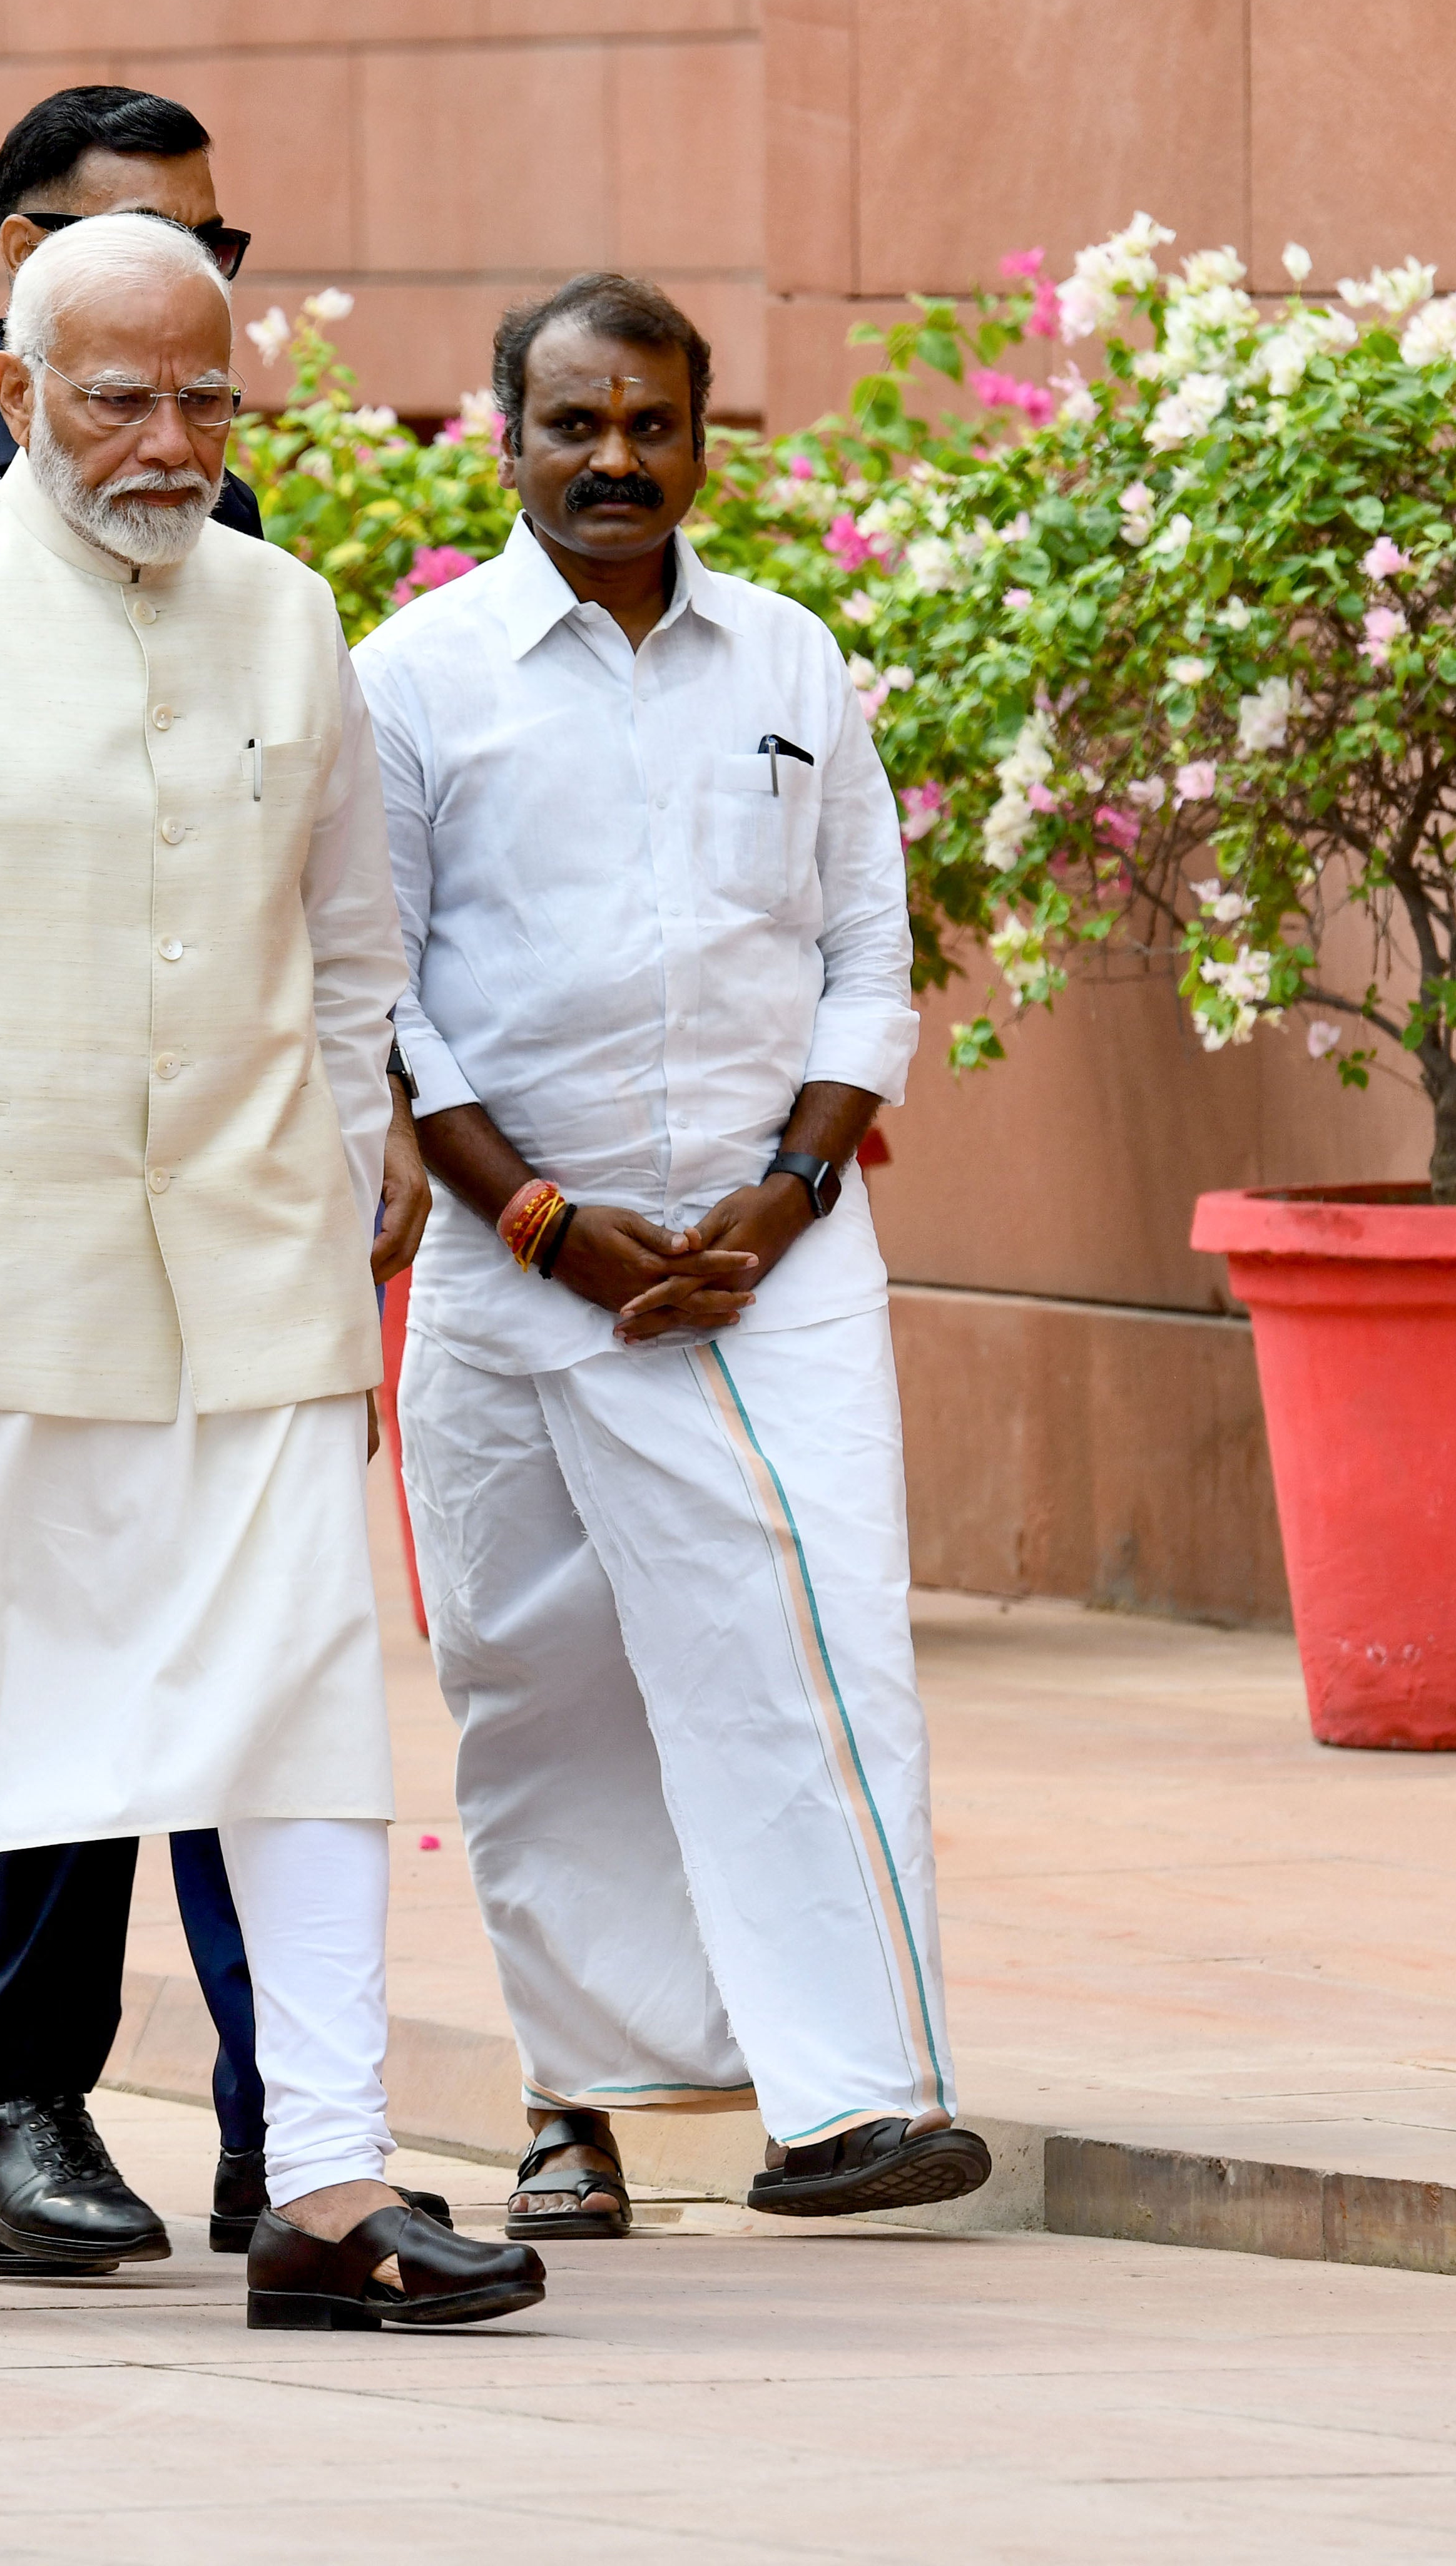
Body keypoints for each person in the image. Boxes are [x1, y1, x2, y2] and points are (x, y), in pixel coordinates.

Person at [0, 210, 541, 2331]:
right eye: (119, 397)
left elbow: (354, 961)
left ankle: (330, 2195)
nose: (167, 440)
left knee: (302, 1730)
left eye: (204, 398)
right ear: (16, 393)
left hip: (244, 1291)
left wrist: (337, 1207)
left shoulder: (285, 614)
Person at [355, 274, 990, 2236]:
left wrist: (782, 1197)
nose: (617, 460)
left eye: (653, 425)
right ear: (507, 434)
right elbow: (374, 989)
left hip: (772, 1265)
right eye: (576, 425)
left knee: (813, 1654)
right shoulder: (416, 675)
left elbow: (870, 956)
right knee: (541, 1691)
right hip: (506, 1269)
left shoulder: (793, 662)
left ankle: (855, 2102)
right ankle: (580, 2100)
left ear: (706, 437)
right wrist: (537, 1218)